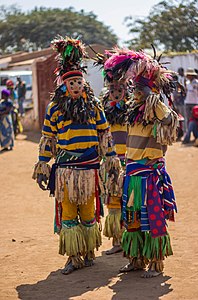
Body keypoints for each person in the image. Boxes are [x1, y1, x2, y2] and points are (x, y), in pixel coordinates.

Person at [32, 36, 121, 275]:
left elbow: (104, 133)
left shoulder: (93, 106)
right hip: (65, 169)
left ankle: (89, 250)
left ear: (84, 83)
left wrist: (111, 159)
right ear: (64, 85)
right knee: (68, 212)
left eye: (79, 81)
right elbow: (48, 137)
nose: (76, 86)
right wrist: (42, 164)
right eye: (71, 83)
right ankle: (74, 256)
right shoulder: (55, 108)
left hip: (89, 166)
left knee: (89, 211)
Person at [105, 48, 178, 278]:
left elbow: (170, 119)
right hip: (132, 171)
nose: (134, 92)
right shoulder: (133, 111)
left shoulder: (156, 108)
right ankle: (136, 260)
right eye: (134, 88)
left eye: (138, 89)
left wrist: (151, 96)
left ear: (149, 90)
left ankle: (156, 262)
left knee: (152, 218)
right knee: (133, 219)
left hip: (149, 173)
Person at [97, 49, 132, 255]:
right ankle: (117, 241)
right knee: (113, 200)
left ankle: (129, 238)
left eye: (120, 90)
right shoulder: (104, 112)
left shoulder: (132, 111)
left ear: (126, 91)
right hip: (110, 162)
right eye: (113, 90)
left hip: (129, 160)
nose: (116, 93)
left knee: (130, 200)